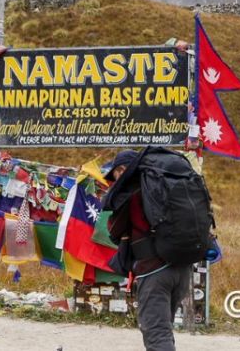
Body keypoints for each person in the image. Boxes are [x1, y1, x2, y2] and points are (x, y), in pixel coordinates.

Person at [103, 149, 193, 351]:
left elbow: (114, 229)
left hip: (154, 271)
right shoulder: (166, 185)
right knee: (163, 329)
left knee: (156, 335)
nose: (115, 180)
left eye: (115, 174)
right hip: (183, 268)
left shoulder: (133, 193)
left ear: (123, 169)